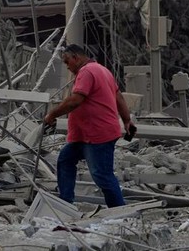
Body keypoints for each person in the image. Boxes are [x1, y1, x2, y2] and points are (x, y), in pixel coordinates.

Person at [43, 44, 135, 208]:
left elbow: (75, 101)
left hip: (97, 135)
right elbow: (118, 96)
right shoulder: (102, 70)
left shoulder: (85, 72)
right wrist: (127, 120)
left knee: (102, 175)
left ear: (75, 58)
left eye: (67, 62)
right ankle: (65, 203)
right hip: (85, 135)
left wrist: (52, 114)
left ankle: (120, 212)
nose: (67, 66)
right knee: (65, 160)